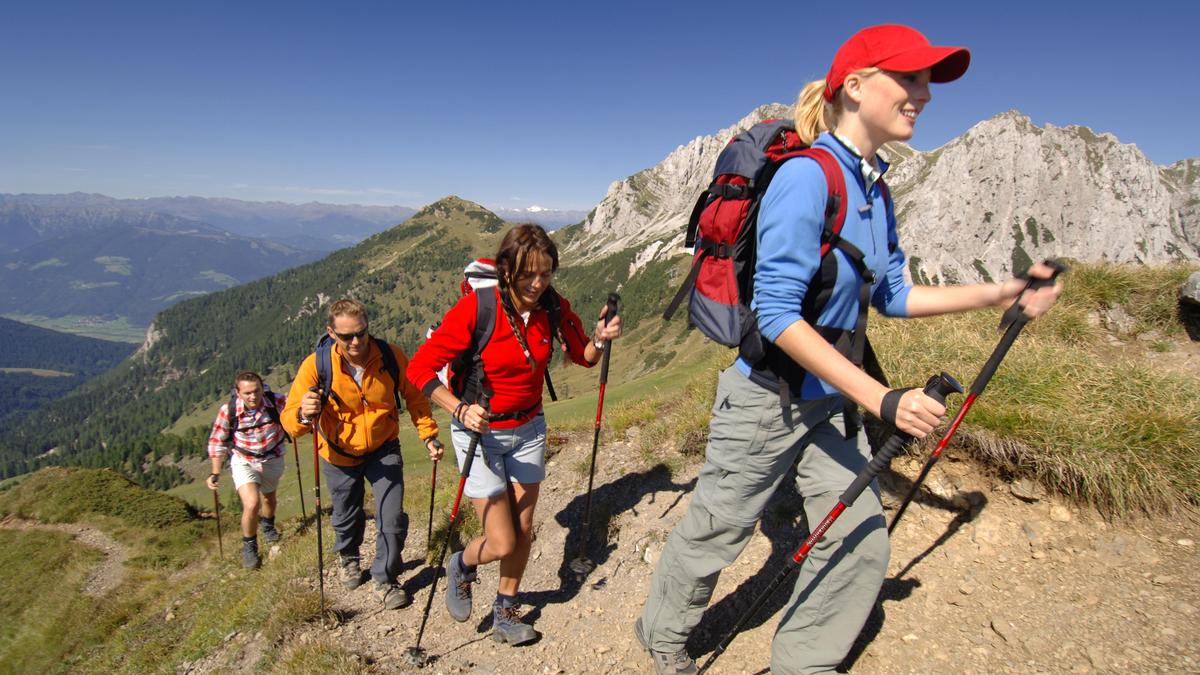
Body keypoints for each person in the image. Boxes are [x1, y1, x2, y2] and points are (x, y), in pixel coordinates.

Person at [635, 24, 1063, 675]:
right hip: (765, 400)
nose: (924, 93)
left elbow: (893, 293)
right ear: (857, 87)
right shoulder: (808, 178)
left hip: (829, 404)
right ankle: (664, 637)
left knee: (859, 538)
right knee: (717, 531)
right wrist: (883, 398)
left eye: (928, 80)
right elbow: (777, 317)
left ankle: (803, 663)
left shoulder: (874, 189)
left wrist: (1003, 290)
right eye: (911, 77)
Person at [406, 224, 622, 645]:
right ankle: (463, 564)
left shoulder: (553, 306)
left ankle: (506, 609)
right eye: (528, 275)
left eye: (545, 274)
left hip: (529, 429)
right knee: (502, 540)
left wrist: (599, 337)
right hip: (479, 434)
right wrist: (459, 409)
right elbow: (419, 369)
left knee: (523, 531)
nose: (537, 284)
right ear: (506, 270)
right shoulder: (477, 309)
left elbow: (584, 357)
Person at [281, 299, 443, 610]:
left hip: (384, 449)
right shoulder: (316, 366)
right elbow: (290, 422)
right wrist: (304, 414)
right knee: (345, 514)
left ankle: (385, 579)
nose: (356, 342)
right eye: (346, 337)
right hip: (338, 453)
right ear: (331, 333)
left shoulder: (390, 356)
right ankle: (349, 556)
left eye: (361, 333)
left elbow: (415, 397)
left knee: (392, 518)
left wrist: (429, 435)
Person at [206, 371, 289, 570]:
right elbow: (217, 441)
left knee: (269, 497)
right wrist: (215, 472)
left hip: (272, 457)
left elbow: (294, 416)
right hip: (244, 460)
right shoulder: (229, 411)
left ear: (262, 388)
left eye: (256, 391)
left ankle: (268, 527)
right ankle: (249, 546)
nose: (253, 397)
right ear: (238, 392)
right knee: (252, 503)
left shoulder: (277, 401)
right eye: (247, 393)